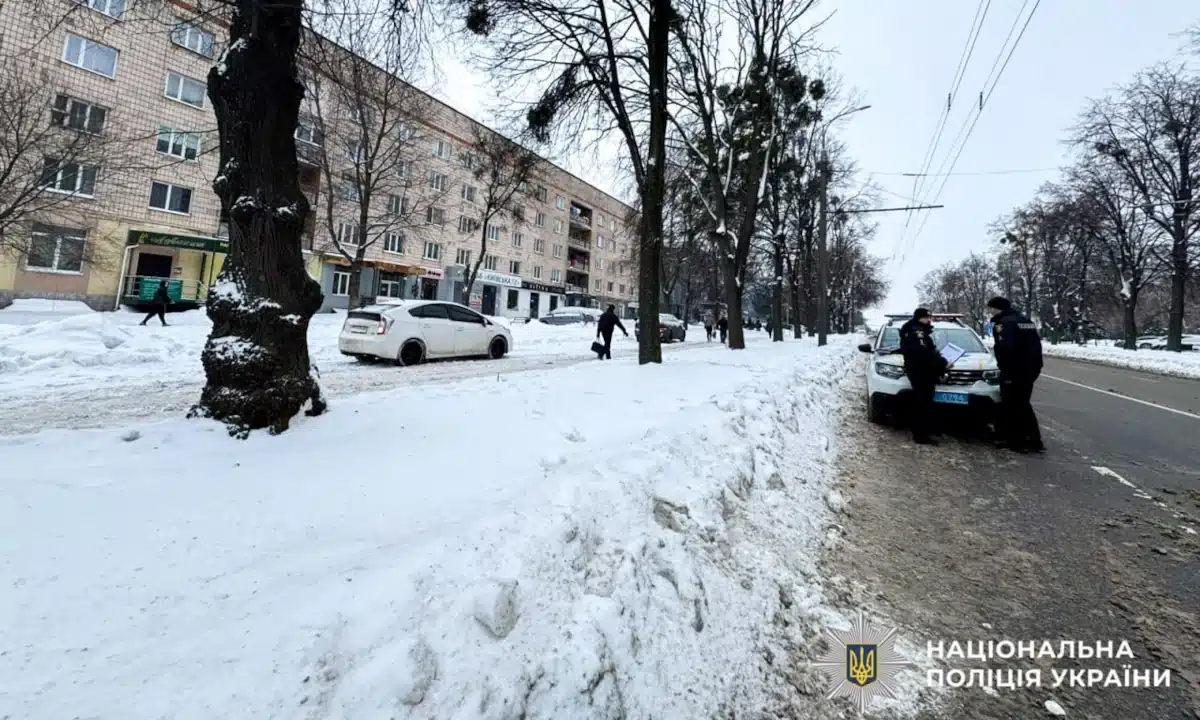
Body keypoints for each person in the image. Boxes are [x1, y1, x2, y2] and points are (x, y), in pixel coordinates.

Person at [987, 296, 1045, 453]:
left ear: (998, 308)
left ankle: (1016, 442)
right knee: (1024, 403)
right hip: (1030, 370)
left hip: (1013, 371)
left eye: (991, 308)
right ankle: (1034, 440)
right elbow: (1036, 346)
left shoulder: (1003, 324)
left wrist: (1004, 369)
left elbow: (1004, 349)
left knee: (1011, 404)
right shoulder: (1025, 321)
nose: (990, 311)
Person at [899, 308, 948, 445]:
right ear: (919, 318)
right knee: (922, 403)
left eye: (929, 317)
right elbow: (923, 353)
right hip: (921, 372)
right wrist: (942, 362)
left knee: (924, 402)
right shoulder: (917, 332)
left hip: (920, 371)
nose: (929, 319)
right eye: (926, 317)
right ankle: (921, 435)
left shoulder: (912, 329)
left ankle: (927, 430)